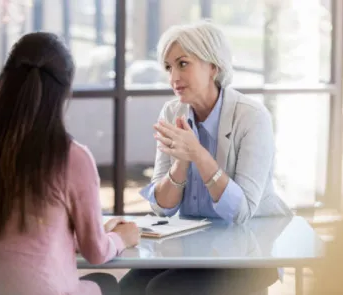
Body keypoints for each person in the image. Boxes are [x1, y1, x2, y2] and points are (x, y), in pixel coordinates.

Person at [0, 32, 140, 295]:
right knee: (106, 283)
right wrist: (120, 238)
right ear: (64, 91)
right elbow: (96, 251)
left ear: (4, 82)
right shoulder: (71, 156)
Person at [119, 21, 292, 295]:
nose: (173, 76)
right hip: (192, 244)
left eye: (183, 64)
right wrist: (181, 162)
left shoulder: (252, 117)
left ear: (214, 67)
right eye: (168, 67)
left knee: (161, 291)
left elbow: (241, 213)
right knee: (127, 288)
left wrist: (197, 153)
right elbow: (162, 208)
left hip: (250, 249)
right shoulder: (171, 112)